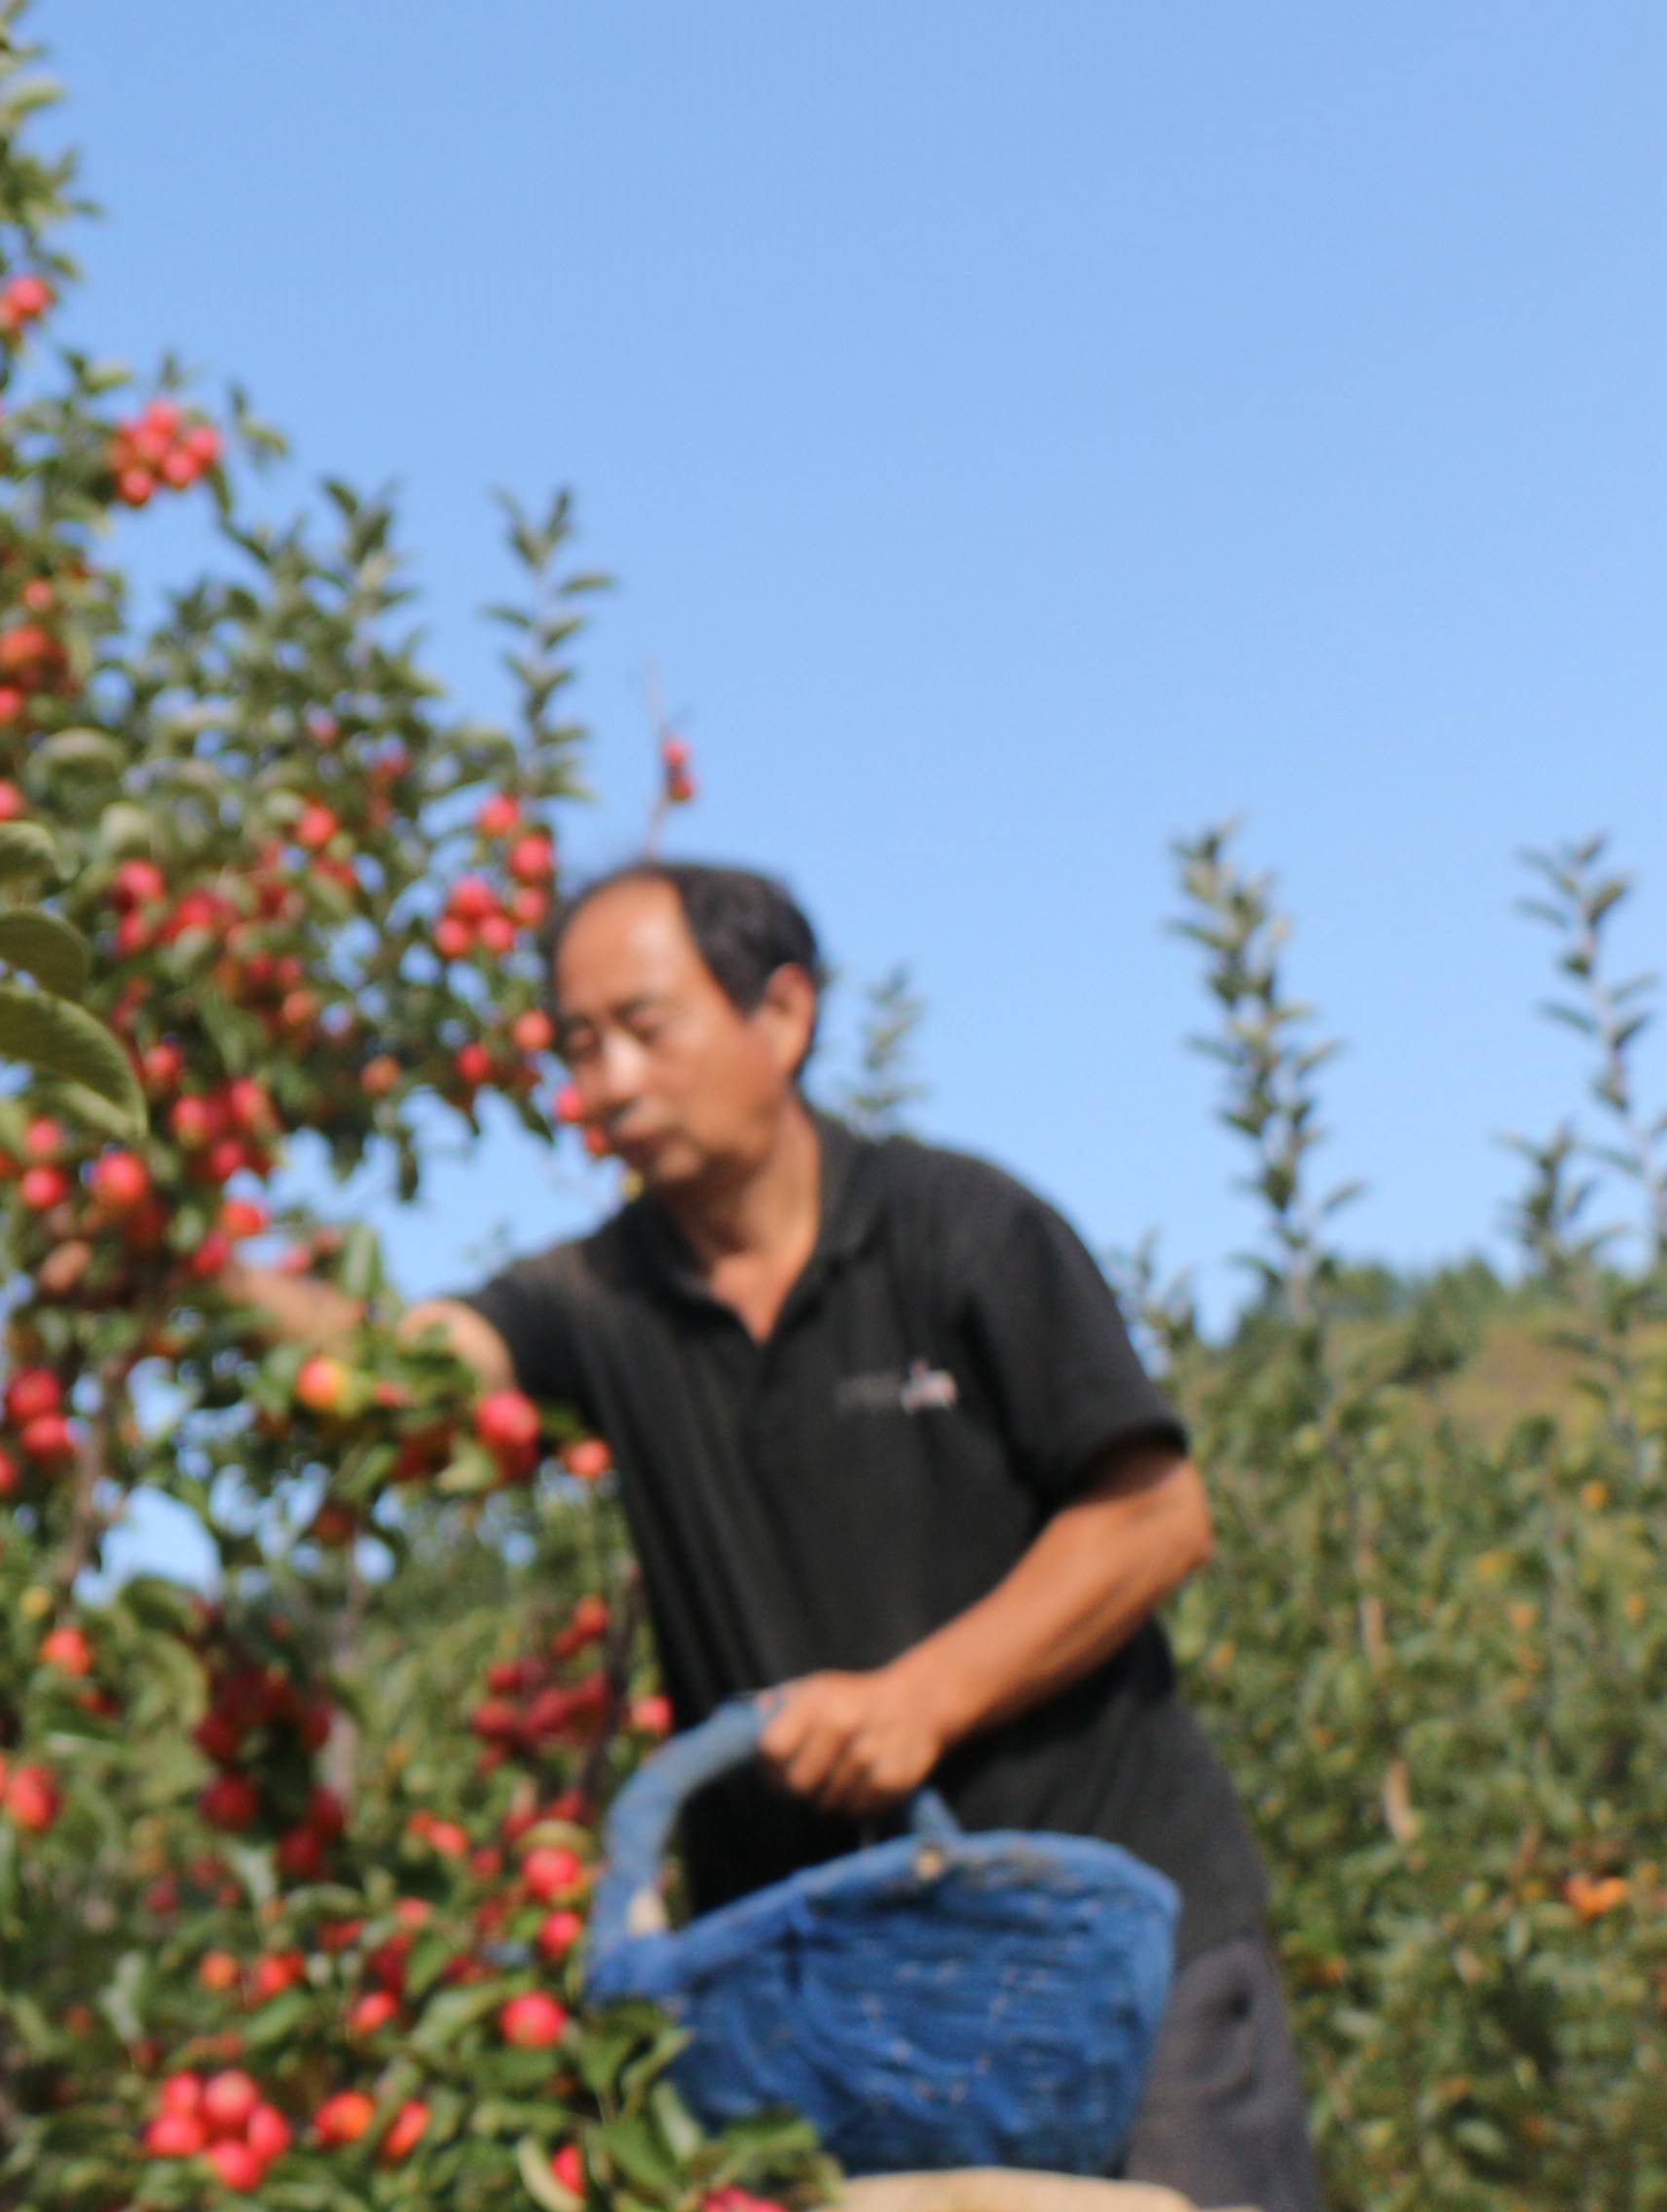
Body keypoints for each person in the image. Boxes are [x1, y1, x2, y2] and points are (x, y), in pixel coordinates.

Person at [241, 859, 1323, 2212]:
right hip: (837, 2003)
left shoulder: (958, 1233)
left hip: (1110, 1945)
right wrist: (192, 1265)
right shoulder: (602, 1298)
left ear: (784, 1014)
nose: (610, 1082)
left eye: (645, 1027)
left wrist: (923, 1697)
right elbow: (410, 1367)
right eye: (579, 1048)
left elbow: (1156, 1517)